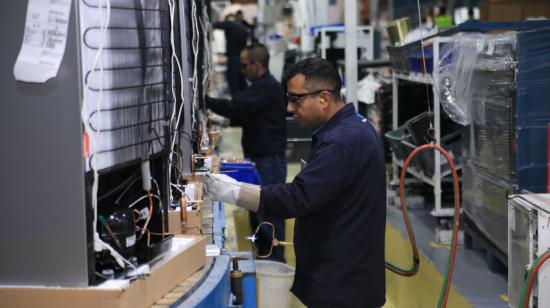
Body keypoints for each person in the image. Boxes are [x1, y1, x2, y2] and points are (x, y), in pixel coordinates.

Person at [205, 57, 386, 307]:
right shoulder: (354, 129)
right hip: (349, 275)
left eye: (296, 99)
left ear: (323, 98)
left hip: (343, 286)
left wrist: (233, 192)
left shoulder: (341, 142)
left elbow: (298, 198)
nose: (289, 108)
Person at [206, 43, 288, 263]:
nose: (241, 70)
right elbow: (243, 114)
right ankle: (264, 264)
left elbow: (236, 107)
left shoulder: (266, 87)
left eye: (244, 65)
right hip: (261, 160)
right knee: (259, 215)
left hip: (269, 162)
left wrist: (204, 101)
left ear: (257, 64)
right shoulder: (262, 87)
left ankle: (275, 266)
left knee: (268, 217)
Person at [213, 15, 249, 96]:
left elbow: (216, 25)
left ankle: (237, 103)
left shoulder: (231, 25)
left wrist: (209, 23)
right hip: (241, 57)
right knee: (241, 81)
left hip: (233, 58)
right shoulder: (242, 28)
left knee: (233, 82)